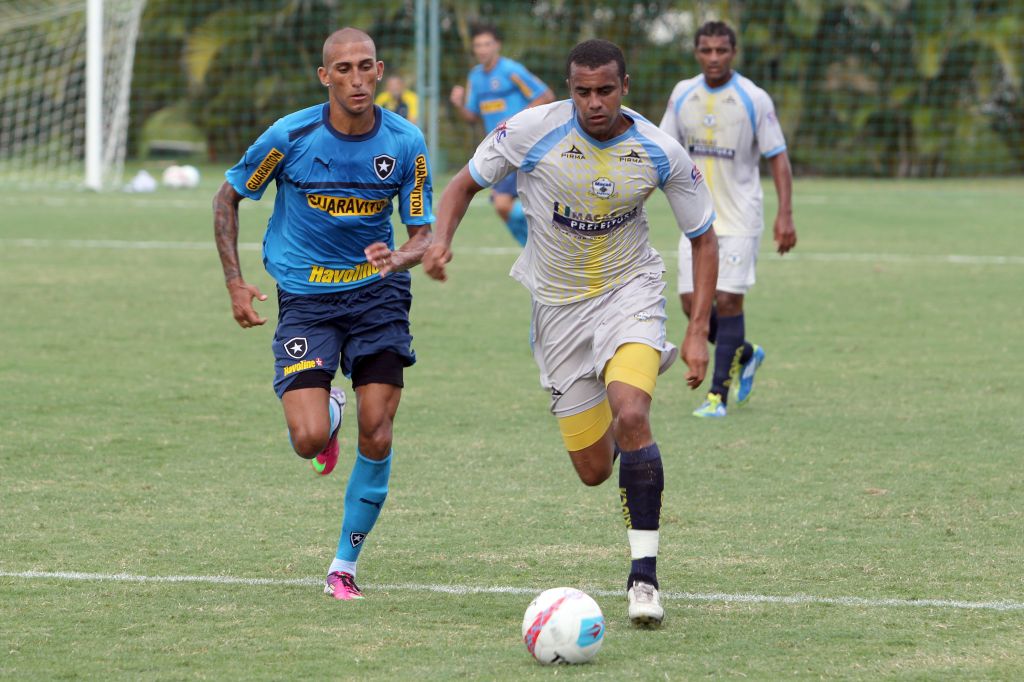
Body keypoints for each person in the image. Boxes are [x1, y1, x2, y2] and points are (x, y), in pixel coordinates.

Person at [425, 39, 718, 627]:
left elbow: (704, 237)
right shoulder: (531, 131)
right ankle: (623, 374)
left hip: (629, 293)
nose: (593, 103)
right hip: (557, 313)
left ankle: (644, 579)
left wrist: (697, 330)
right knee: (593, 471)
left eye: (605, 90)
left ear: (625, 87)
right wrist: (440, 240)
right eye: (582, 92)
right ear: (568, 90)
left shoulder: (659, 151)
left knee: (632, 415)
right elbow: (462, 185)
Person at [212, 28, 434, 602]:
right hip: (306, 297)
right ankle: (326, 413)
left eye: (366, 68)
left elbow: (422, 234)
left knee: (379, 430)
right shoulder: (291, 137)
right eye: (344, 69)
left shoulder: (406, 143)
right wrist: (236, 282)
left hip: (377, 295)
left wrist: (401, 257)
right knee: (308, 440)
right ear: (325, 76)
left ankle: (343, 565)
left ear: (379, 71)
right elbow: (229, 195)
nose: (356, 79)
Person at [659, 20, 797, 419]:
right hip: (696, 219)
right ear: (697, 52)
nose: (714, 57)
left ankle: (717, 396)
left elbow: (778, 157)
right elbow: (664, 149)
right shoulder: (683, 94)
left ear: (733, 53)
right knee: (691, 304)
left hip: (739, 218)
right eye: (706, 50)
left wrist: (785, 214)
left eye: (721, 50)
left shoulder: (754, 98)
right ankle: (746, 354)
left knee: (728, 300)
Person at [449, 23, 554, 246]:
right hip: (499, 148)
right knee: (503, 205)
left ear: (497, 46)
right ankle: (538, 247)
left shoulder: (511, 70)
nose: (482, 49)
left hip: (525, 145)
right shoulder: (475, 77)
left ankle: (541, 246)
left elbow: (546, 95)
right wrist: (459, 104)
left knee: (502, 203)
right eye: (478, 45)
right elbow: (472, 115)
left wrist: (516, 121)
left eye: (487, 44)